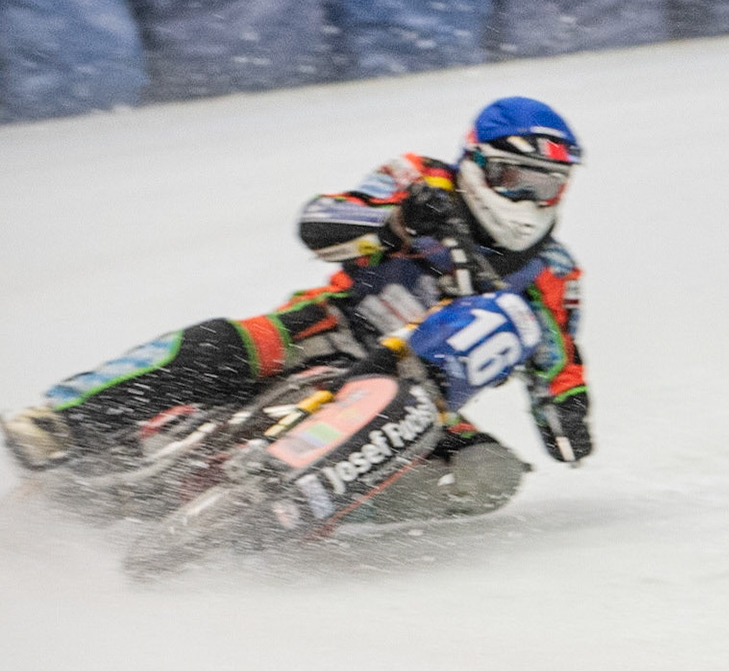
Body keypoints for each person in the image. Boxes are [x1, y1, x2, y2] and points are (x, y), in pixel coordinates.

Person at [1, 96, 592, 521]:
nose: (530, 198)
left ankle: (303, 509)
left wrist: (567, 408)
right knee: (223, 344)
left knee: (492, 475)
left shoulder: (555, 272)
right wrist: (397, 223)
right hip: (328, 329)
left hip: (422, 390)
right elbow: (319, 221)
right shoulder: (419, 178)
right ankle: (65, 421)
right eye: (517, 178)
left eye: (548, 185)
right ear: (478, 165)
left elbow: (558, 359)